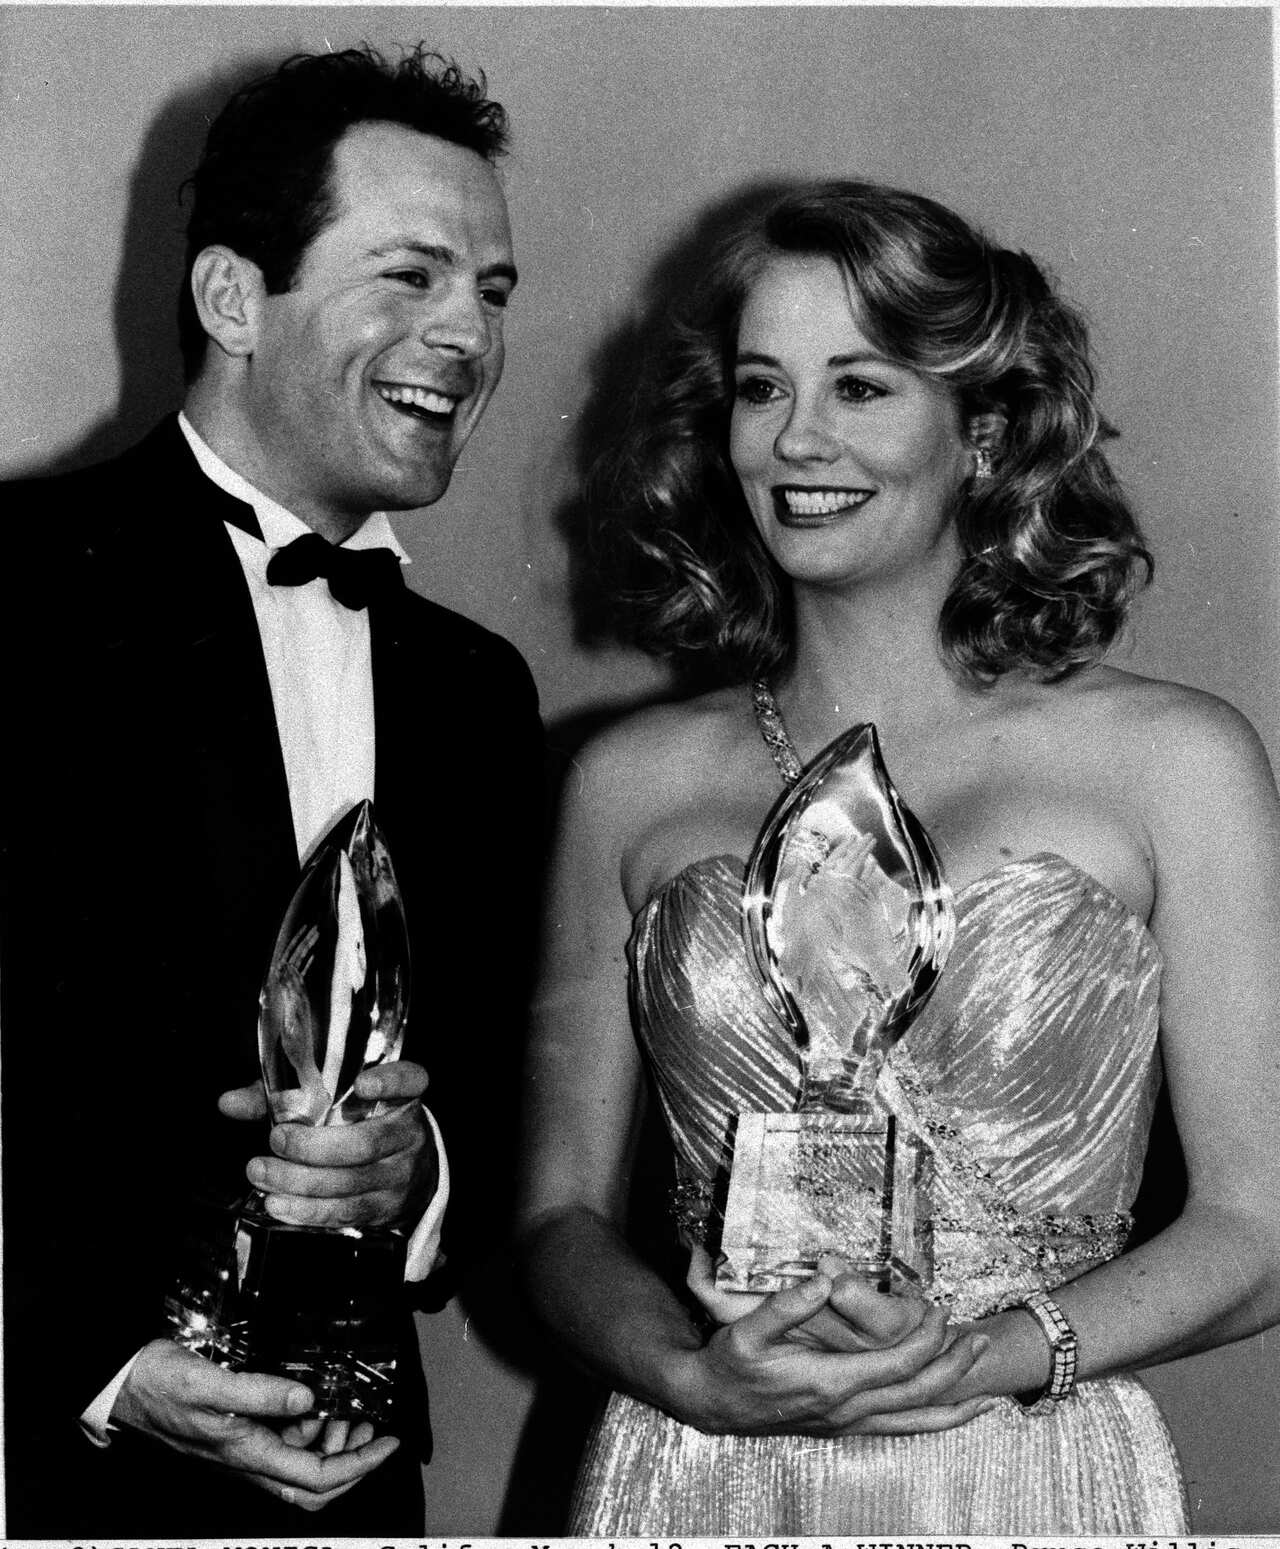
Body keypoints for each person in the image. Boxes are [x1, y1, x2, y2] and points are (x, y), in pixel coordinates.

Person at [515, 179, 1280, 1533]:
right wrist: (690, 1372)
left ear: (983, 435)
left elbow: (1260, 1229)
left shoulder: (1179, 764)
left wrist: (979, 1359)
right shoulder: (625, 784)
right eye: (762, 388)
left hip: (1020, 1467)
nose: (796, 439)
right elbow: (556, 1222)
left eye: (860, 388)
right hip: (696, 1471)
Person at [1, 44, 543, 1536]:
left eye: (490, 291)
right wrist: (99, 1363)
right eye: (413, 275)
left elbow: (509, 1099)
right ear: (234, 299)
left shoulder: (481, 694)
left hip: (361, 1490)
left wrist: (414, 1172)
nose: (469, 336)